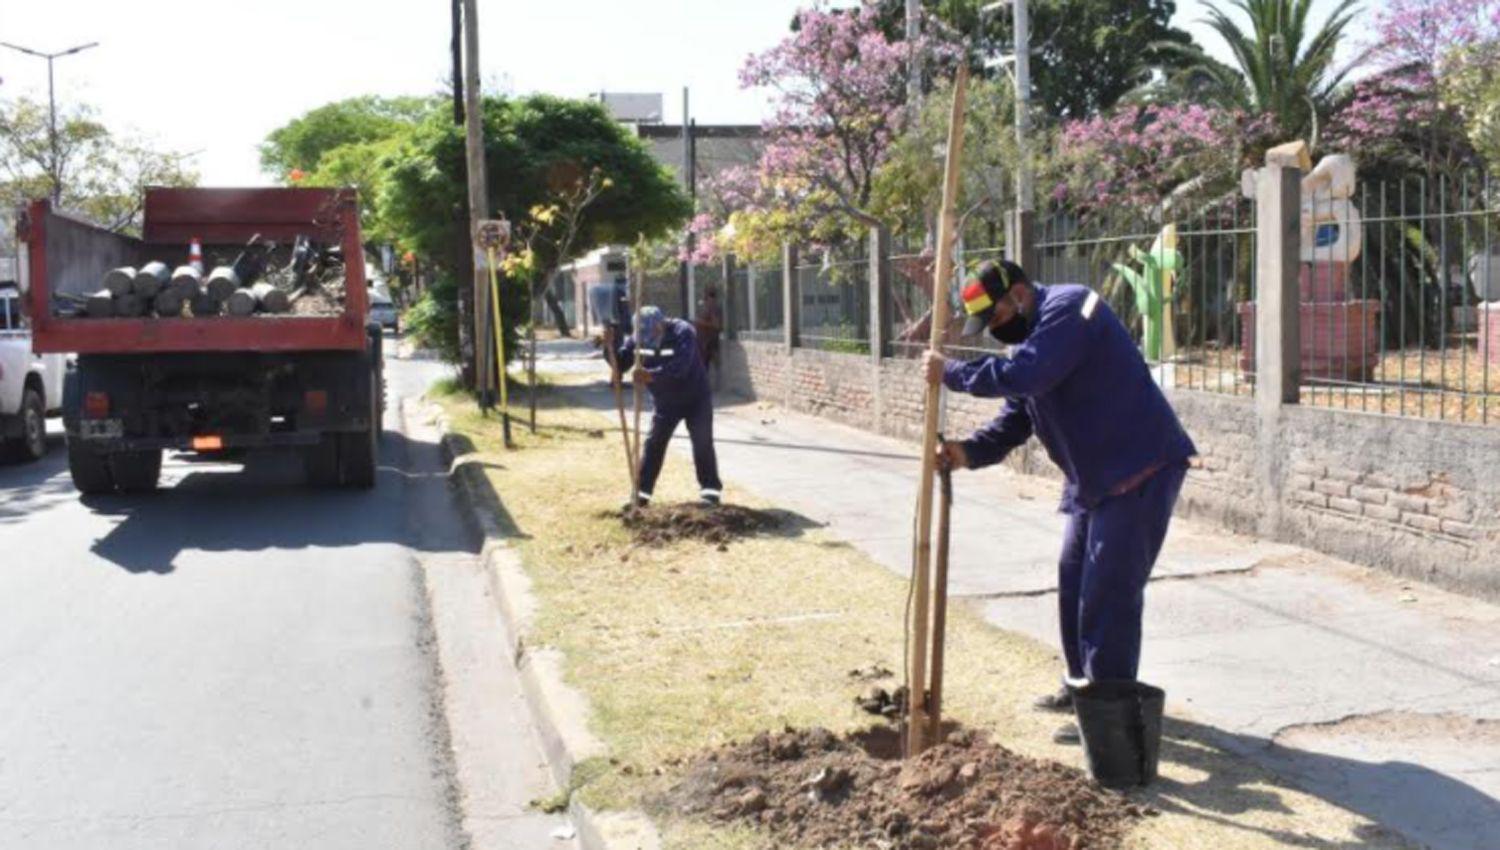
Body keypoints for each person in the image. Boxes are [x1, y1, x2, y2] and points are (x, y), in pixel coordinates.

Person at [923, 260, 1196, 744]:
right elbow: (1015, 420)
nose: (994, 332)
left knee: (1107, 595)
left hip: (1140, 469)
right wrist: (967, 453)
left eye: (996, 319)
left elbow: (1027, 375)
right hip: (1092, 481)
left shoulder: (1072, 308)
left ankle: (1109, 711)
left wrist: (952, 374)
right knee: (1073, 585)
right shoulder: (1034, 343)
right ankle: (1082, 688)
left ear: (1021, 295)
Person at [614, 306, 723, 507]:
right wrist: (608, 346)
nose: (647, 340)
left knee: (702, 442)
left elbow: (681, 367)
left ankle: (710, 492)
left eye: (651, 335)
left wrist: (650, 375)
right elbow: (620, 364)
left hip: (695, 398)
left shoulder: (684, 331)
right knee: (654, 443)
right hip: (666, 402)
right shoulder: (637, 337)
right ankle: (641, 494)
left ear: (660, 325)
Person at [693, 285, 724, 369]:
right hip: (704, 341)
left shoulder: (713, 307)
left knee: (705, 367)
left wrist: (700, 322)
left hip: (708, 342)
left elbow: (716, 325)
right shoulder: (707, 306)